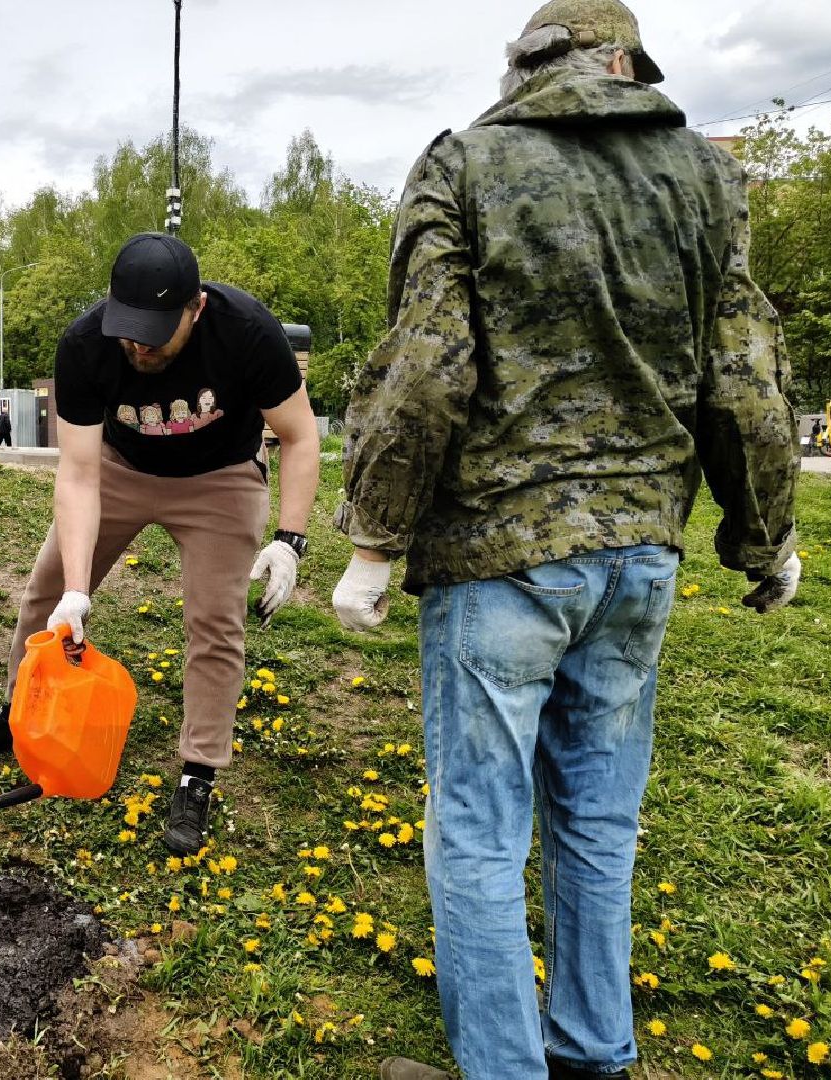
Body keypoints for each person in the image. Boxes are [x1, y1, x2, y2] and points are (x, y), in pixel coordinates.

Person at [330, 4, 800, 1078]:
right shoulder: (707, 176)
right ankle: (593, 1052)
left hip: (502, 556)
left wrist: (374, 540)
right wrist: (765, 538)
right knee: (597, 819)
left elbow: (427, 365)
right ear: (626, 62)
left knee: (479, 831)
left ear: (523, 69)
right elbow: (745, 381)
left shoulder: (464, 164)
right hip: (641, 556)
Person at [0, 232, 321, 855]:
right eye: (129, 329)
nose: (139, 345)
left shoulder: (248, 332)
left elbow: (300, 436)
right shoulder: (85, 343)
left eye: (156, 333)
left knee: (215, 622)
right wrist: (75, 590)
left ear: (196, 308)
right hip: (120, 470)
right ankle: (19, 715)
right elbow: (78, 474)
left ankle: (198, 772)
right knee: (45, 593)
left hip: (220, 479)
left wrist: (290, 540)